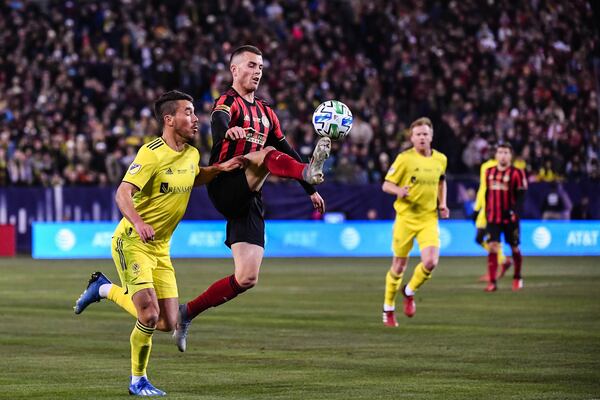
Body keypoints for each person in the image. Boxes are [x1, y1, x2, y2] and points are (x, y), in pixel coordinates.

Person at [73, 90, 246, 396]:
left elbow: (193, 176)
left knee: (168, 322)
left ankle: (103, 288)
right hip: (132, 241)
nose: (196, 119)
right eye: (189, 112)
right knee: (149, 315)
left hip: (161, 248)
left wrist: (218, 169)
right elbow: (122, 193)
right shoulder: (151, 153)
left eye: (195, 113)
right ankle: (137, 380)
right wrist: (139, 223)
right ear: (169, 119)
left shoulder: (191, 154)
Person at [173, 45, 331, 351]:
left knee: (246, 278)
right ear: (234, 70)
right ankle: (308, 172)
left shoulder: (268, 113)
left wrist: (309, 190)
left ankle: (187, 312)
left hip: (249, 198)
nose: (257, 71)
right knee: (267, 154)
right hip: (224, 182)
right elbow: (218, 122)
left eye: (260, 66)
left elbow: (287, 152)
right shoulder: (227, 101)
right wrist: (227, 133)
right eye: (250, 65)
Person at [380, 117, 449, 328]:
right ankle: (388, 308)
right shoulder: (404, 159)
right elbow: (386, 185)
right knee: (399, 266)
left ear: (431, 136)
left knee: (431, 262)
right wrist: (399, 191)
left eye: (425, 134)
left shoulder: (440, 159)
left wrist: (443, 204)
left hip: (428, 217)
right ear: (411, 138)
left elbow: (441, 182)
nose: (422, 137)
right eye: (418, 134)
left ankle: (409, 291)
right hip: (406, 218)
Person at [483, 142, 528, 292]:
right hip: (493, 217)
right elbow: (487, 193)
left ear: (511, 155)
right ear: (496, 155)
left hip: (511, 218)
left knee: (514, 247)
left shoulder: (517, 173)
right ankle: (492, 282)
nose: (503, 155)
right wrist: (485, 211)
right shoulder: (488, 172)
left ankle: (517, 277)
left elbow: (521, 197)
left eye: (506, 152)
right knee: (493, 247)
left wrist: (514, 212)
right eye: (500, 152)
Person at [473, 150, 511, 282]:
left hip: (490, 209)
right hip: (489, 208)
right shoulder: (495, 167)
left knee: (487, 239)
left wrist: (477, 208)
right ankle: (502, 260)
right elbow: (484, 187)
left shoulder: (488, 167)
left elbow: (483, 188)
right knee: (485, 239)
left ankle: (500, 262)